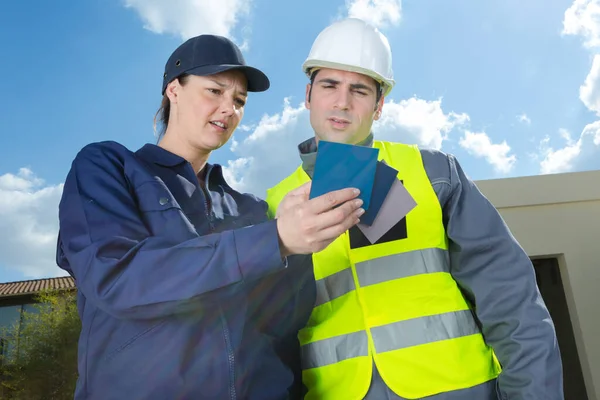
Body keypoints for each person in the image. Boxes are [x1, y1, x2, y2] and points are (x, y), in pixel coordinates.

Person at [265, 18, 564, 400]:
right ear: (308, 95)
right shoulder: (275, 205)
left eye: (359, 89)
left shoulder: (433, 174)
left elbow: (512, 300)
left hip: (458, 388)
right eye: (329, 85)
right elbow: (270, 339)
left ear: (379, 106)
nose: (342, 102)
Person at [55, 34, 363, 400]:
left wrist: (296, 248)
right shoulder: (109, 167)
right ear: (174, 89)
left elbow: (281, 322)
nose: (228, 108)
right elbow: (117, 277)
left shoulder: (248, 208)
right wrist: (274, 239)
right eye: (214, 91)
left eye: (239, 101)